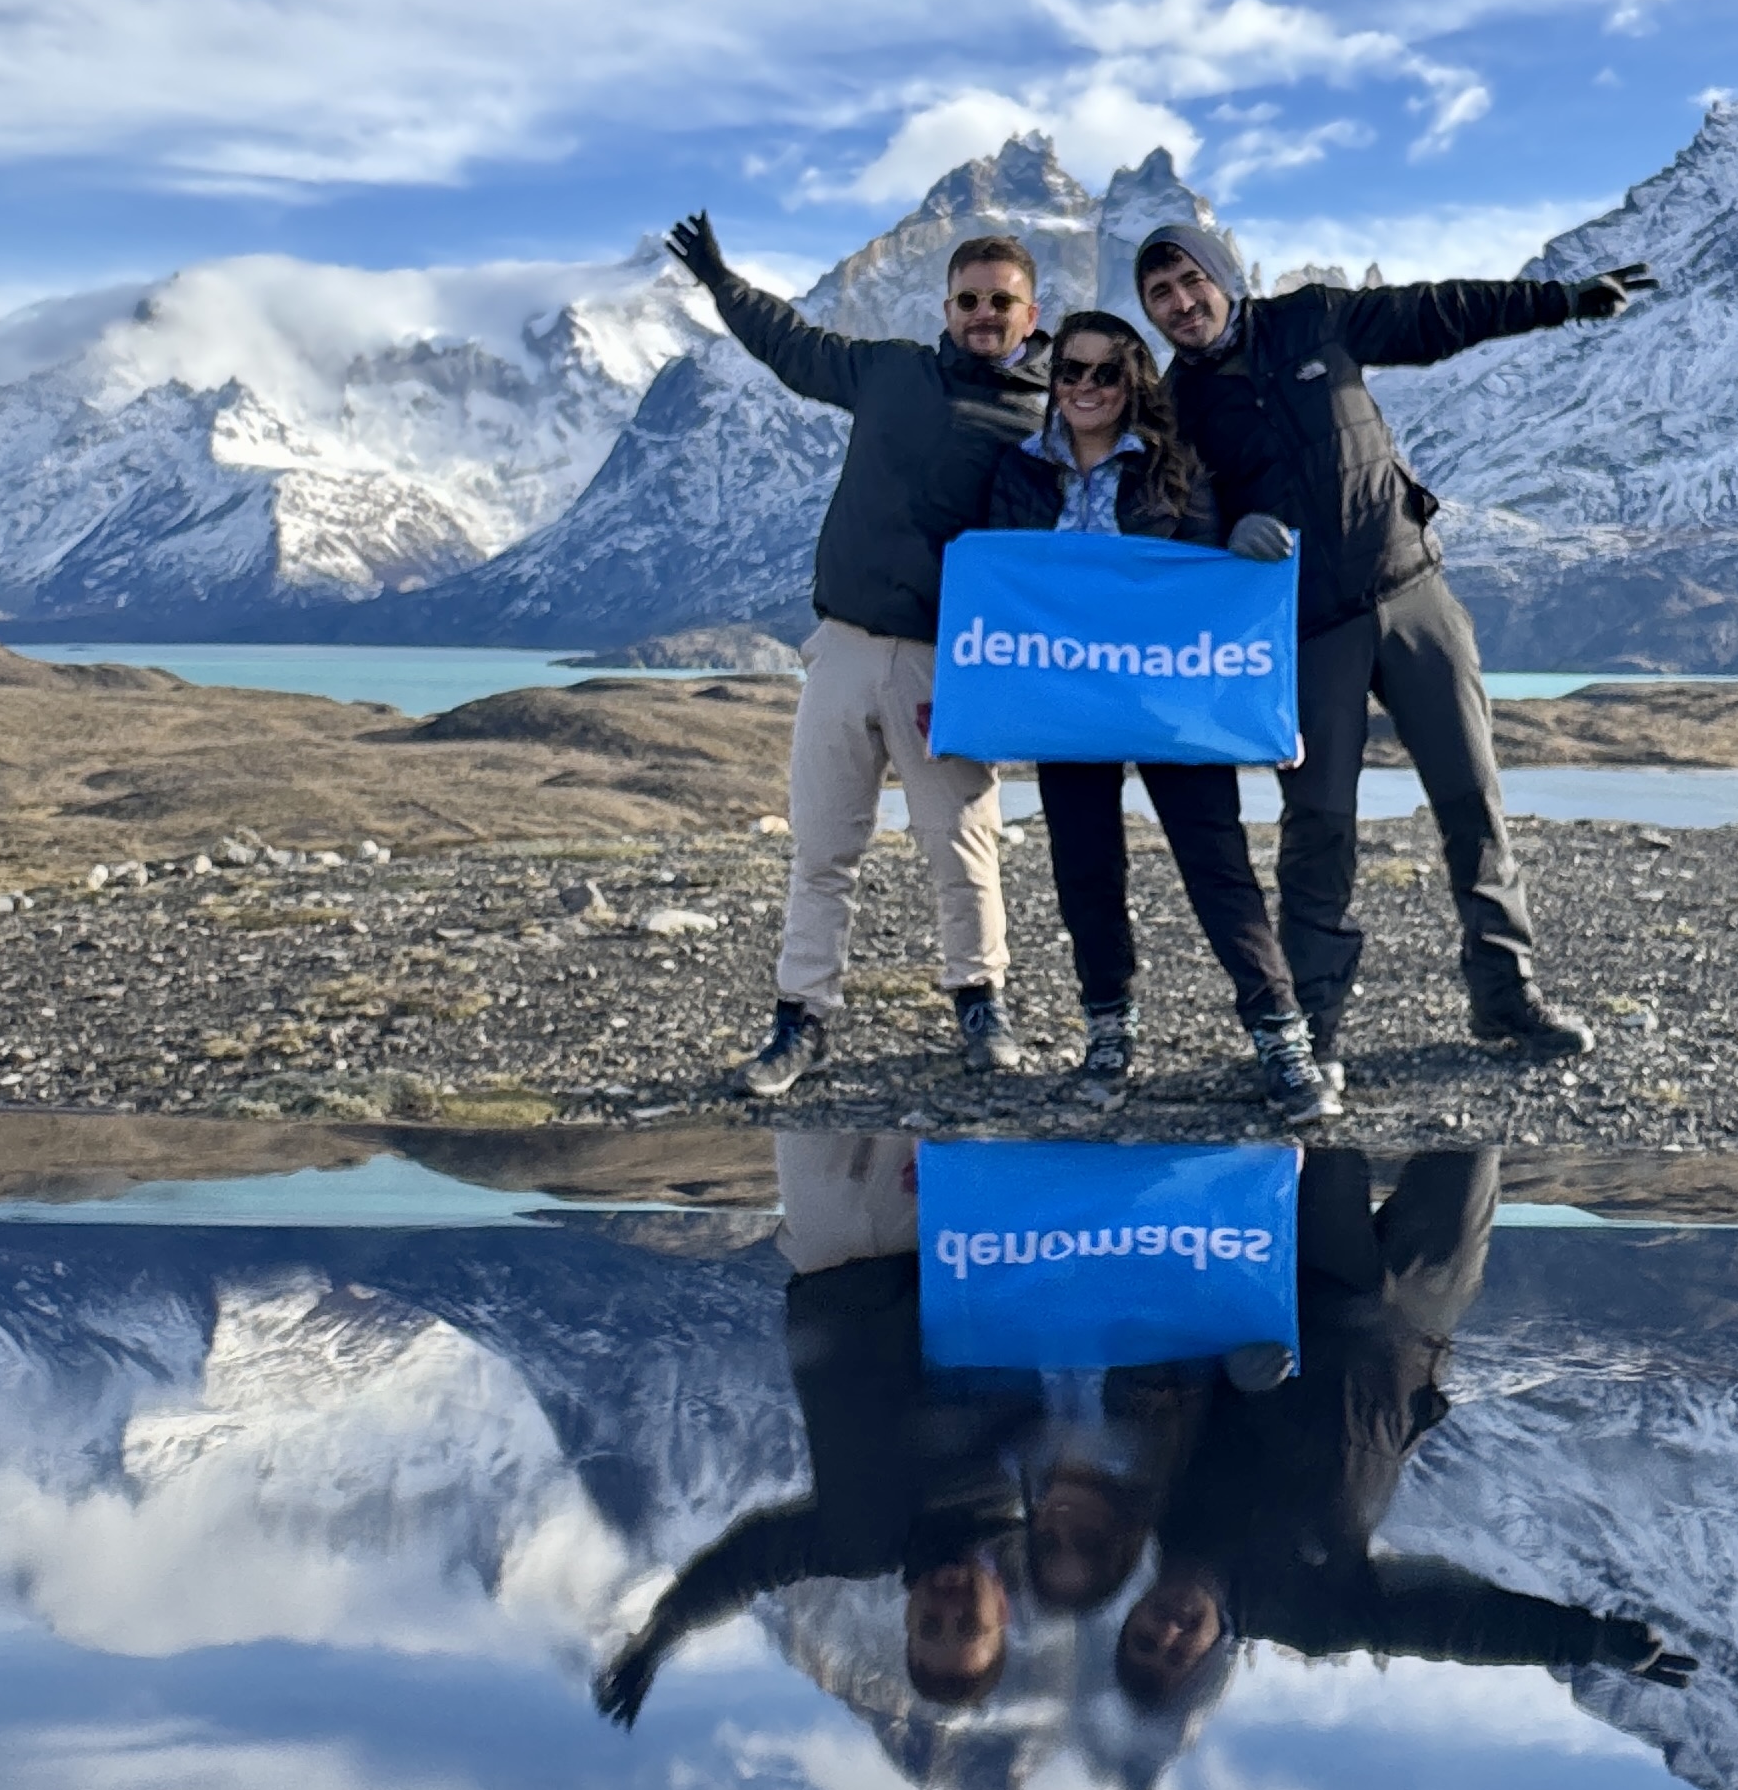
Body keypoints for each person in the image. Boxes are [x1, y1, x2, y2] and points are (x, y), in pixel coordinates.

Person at [1133, 226, 1654, 1080]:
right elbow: (1178, 517)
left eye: (1193, 281)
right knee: (1319, 826)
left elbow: (1436, 313)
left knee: (1471, 797)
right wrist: (1227, 534)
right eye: (1162, 295)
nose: (1183, 304)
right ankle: (1314, 1027)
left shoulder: (1313, 319)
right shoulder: (1174, 406)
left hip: (1413, 591)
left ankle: (1505, 992)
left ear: (1224, 277)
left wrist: (1558, 302)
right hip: (1307, 630)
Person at [665, 214, 1050, 1095]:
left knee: (962, 842)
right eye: (969, 300)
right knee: (824, 846)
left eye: (1001, 303)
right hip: (841, 647)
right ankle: (800, 1020)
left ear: (1031, 315)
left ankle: (981, 1003)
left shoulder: (1046, 416)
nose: (983, 315)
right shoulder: (888, 372)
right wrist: (723, 283)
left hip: (944, 663)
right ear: (946, 309)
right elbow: (791, 345)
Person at [1113, 1147, 1698, 1721]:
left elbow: (1144, 1387)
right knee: (1470, 1143)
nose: (1168, 1631)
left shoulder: (1154, 1511)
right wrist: (1585, 1642)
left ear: (1132, 1617)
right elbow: (1451, 1628)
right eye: (1177, 1656)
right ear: (1211, 1656)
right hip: (1417, 1322)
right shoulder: (1312, 1616)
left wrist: (1225, 1367)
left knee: (1322, 1128)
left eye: (1144, 1640)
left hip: (1305, 1279)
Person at [979, 310, 1339, 1126]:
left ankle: (1281, 1038)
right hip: (1067, 700)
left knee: (1217, 864)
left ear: (1133, 382)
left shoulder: (1174, 467)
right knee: (1086, 868)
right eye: (1070, 371)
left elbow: (1208, 588)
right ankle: (1108, 1034)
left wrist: (1253, 702)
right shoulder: (1019, 471)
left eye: (1106, 373)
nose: (1085, 387)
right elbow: (1005, 580)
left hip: (1167, 698)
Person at [593, 1131, 1040, 1721]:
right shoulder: (1030, 1504)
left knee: (809, 1093)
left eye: (932, 1625)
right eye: (968, 1624)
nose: (948, 1606)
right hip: (941, 1234)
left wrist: (661, 1635)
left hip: (831, 1240)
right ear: (1001, 1610)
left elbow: (744, 1569)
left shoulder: (853, 1545)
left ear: (907, 1620)